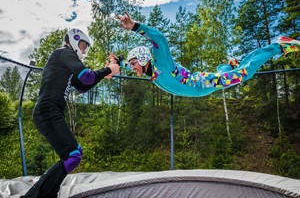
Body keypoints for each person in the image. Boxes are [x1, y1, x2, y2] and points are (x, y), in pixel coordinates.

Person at [22, 28, 119, 197]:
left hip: (51, 112)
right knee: (72, 155)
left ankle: (48, 194)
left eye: (86, 48)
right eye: (83, 46)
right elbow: (87, 76)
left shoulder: (65, 62)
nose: (84, 51)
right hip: (47, 111)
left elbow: (83, 86)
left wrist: (104, 73)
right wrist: (107, 70)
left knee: (75, 152)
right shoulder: (63, 53)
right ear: (73, 41)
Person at [109, 12, 300, 97]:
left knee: (245, 74)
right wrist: (119, 62)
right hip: (203, 87)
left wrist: (135, 26)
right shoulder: (149, 71)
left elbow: (159, 38)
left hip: (203, 83)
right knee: (228, 75)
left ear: (144, 59)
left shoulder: (161, 62)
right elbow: (129, 66)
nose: (132, 68)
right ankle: (229, 66)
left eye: (134, 63)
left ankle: (279, 46)